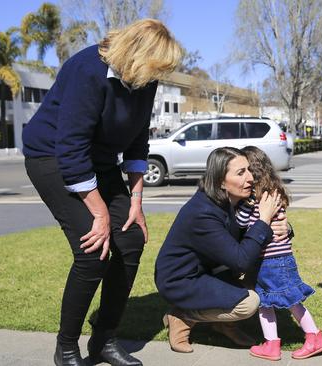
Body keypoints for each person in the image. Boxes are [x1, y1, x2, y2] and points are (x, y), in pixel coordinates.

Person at [22, 19, 182, 366]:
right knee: (93, 250)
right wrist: (98, 213)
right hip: (53, 157)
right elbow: (71, 149)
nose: (158, 77)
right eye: (157, 68)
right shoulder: (87, 69)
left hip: (99, 160)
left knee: (131, 239)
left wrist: (135, 201)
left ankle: (104, 340)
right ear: (137, 55)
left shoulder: (145, 79)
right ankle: (66, 347)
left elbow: (139, 139)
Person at [154, 147, 288, 354]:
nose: (251, 178)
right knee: (249, 303)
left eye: (249, 170)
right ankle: (182, 316)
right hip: (180, 280)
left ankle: (224, 323)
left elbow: (247, 240)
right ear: (220, 181)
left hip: (209, 269)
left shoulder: (234, 202)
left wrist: (283, 227)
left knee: (264, 274)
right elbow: (241, 259)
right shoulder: (203, 213)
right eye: (240, 173)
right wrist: (264, 220)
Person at [239, 146, 322, 361]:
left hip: (275, 261)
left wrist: (239, 206)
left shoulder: (260, 198)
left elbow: (243, 222)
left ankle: (314, 336)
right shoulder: (273, 191)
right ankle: (272, 343)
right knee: (266, 302)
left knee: (292, 301)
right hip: (269, 261)